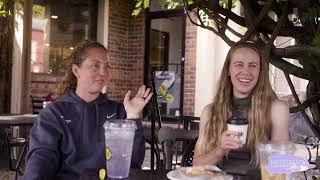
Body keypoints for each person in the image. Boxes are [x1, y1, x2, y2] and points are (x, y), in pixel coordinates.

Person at [23, 40, 152, 180]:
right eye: (95, 65)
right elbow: (42, 158)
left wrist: (133, 116)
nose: (103, 72)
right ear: (76, 70)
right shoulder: (54, 113)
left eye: (107, 66)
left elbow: (134, 163)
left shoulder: (119, 111)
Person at [193, 42, 289, 168]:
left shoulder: (276, 109)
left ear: (260, 72)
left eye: (253, 66)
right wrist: (220, 150)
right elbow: (196, 165)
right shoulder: (210, 112)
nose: (245, 72)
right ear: (228, 70)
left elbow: (280, 166)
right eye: (239, 64)